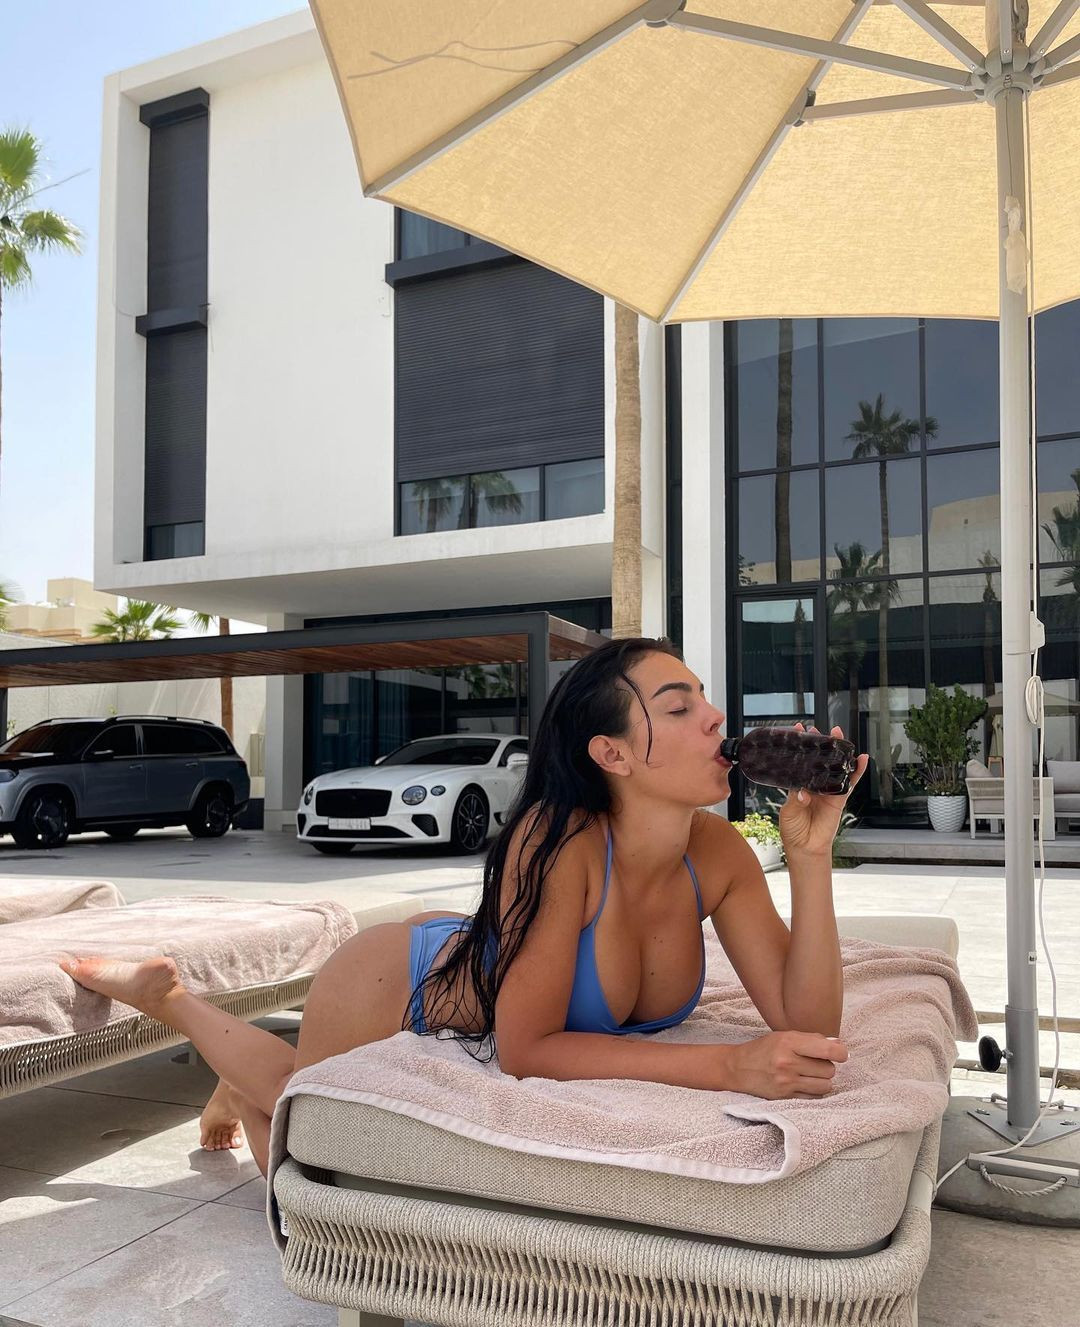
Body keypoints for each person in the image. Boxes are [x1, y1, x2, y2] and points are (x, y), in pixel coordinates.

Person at [58, 636, 867, 1176]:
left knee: (289, 1134)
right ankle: (176, 999)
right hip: (399, 979)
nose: (716, 716)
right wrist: (728, 1064)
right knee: (296, 1150)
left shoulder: (717, 855)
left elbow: (809, 1023)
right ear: (612, 753)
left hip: (486, 949)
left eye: (705, 699)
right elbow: (524, 1047)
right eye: (679, 706)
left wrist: (809, 854)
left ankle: (239, 1081)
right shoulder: (557, 841)